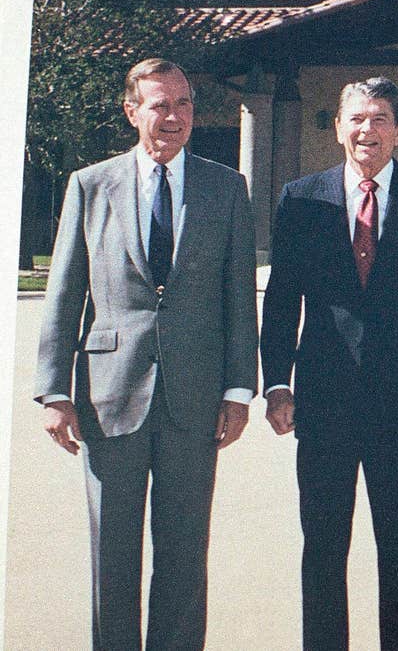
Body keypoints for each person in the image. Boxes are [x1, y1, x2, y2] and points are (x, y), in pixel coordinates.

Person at [34, 57, 258, 650]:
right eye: (160, 105)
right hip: (109, 395)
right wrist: (55, 391)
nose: (174, 117)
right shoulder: (91, 184)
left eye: (184, 104)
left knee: (185, 552)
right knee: (113, 553)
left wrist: (239, 390)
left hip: (196, 398)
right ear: (132, 111)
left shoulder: (225, 186)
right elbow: (65, 292)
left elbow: (240, 296)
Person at [260, 76, 398, 650]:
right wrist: (276, 384)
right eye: (356, 119)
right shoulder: (301, 199)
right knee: (324, 548)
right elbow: (282, 300)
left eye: (380, 118)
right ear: (338, 128)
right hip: (324, 400)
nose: (367, 130)